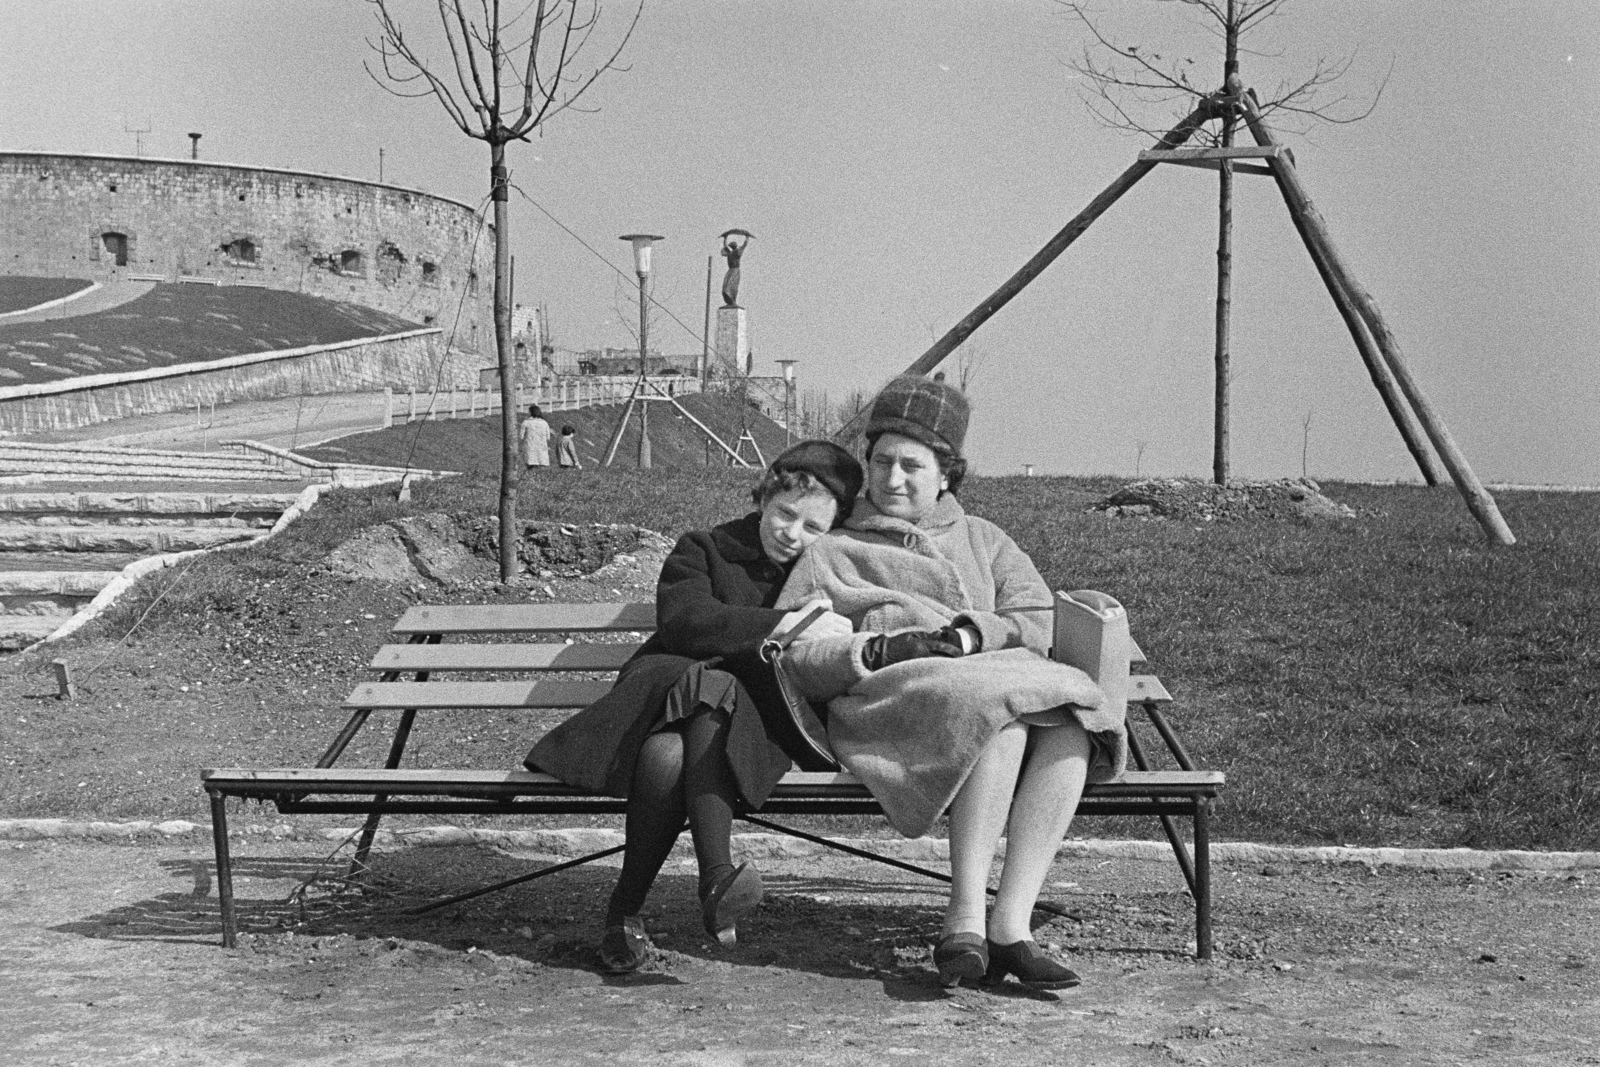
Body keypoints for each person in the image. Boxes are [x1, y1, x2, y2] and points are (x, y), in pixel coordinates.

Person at [774, 375, 1128, 992]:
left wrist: (970, 636)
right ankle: (965, 915)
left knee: (1072, 711)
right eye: (881, 461)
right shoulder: (832, 551)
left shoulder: (983, 539)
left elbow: (1039, 617)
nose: (892, 479)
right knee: (1001, 707)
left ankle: (1010, 925)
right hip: (888, 701)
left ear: (946, 475)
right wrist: (874, 647)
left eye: (912, 465)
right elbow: (797, 652)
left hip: (980, 685)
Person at [525, 440, 863, 973]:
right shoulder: (705, 547)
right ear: (766, 495)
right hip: (664, 684)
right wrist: (782, 625)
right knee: (710, 683)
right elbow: (685, 622)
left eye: (813, 527)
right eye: (784, 514)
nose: (791, 534)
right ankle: (715, 877)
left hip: (752, 718)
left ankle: (625, 912)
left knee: (668, 753)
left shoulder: (828, 573)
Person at [519, 404, 552, 469]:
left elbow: (521, 436)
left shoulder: (525, 422)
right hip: (541, 447)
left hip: (530, 447)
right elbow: (548, 437)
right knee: (541, 465)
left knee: (530, 465)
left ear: (531, 412)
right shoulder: (544, 423)